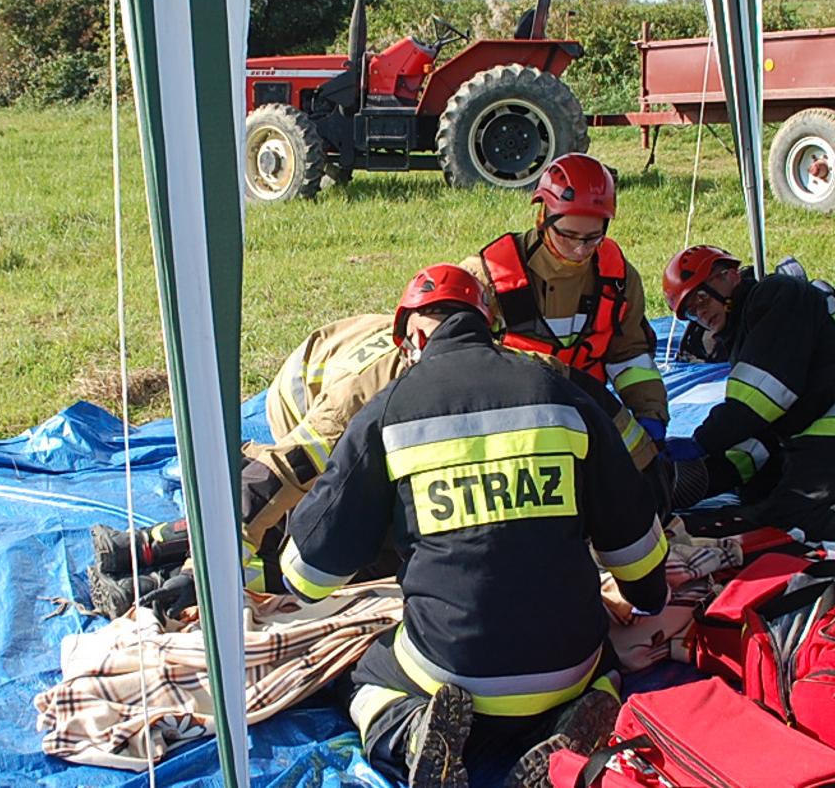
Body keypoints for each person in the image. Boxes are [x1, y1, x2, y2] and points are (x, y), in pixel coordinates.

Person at [280, 264, 668, 787]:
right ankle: (580, 725)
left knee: (365, 677)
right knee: (607, 671)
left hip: (450, 672)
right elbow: (635, 537)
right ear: (486, 324)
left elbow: (309, 573)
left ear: (416, 333)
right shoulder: (558, 391)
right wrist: (647, 595)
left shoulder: (390, 409)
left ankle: (412, 732)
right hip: (568, 664)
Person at [89, 308, 666, 618]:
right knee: (316, 534)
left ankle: (150, 554)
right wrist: (211, 577)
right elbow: (284, 472)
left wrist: (656, 463)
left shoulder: (513, 365)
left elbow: (598, 407)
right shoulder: (371, 391)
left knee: (381, 542)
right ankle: (157, 561)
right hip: (303, 389)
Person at [658, 244, 835, 542]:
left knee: (793, 515)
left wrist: (701, 442)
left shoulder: (775, 297)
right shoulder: (749, 327)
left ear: (728, 275)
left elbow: (757, 402)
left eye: (701, 298)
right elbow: (762, 429)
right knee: (758, 490)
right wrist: (703, 476)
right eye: (691, 313)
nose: (701, 314)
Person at [456, 153, 669, 450]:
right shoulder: (489, 276)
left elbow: (629, 355)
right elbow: (456, 364)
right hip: (507, 425)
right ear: (543, 219)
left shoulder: (617, 278)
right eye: (568, 235)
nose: (580, 250)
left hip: (586, 416)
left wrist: (651, 414)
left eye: (593, 237)